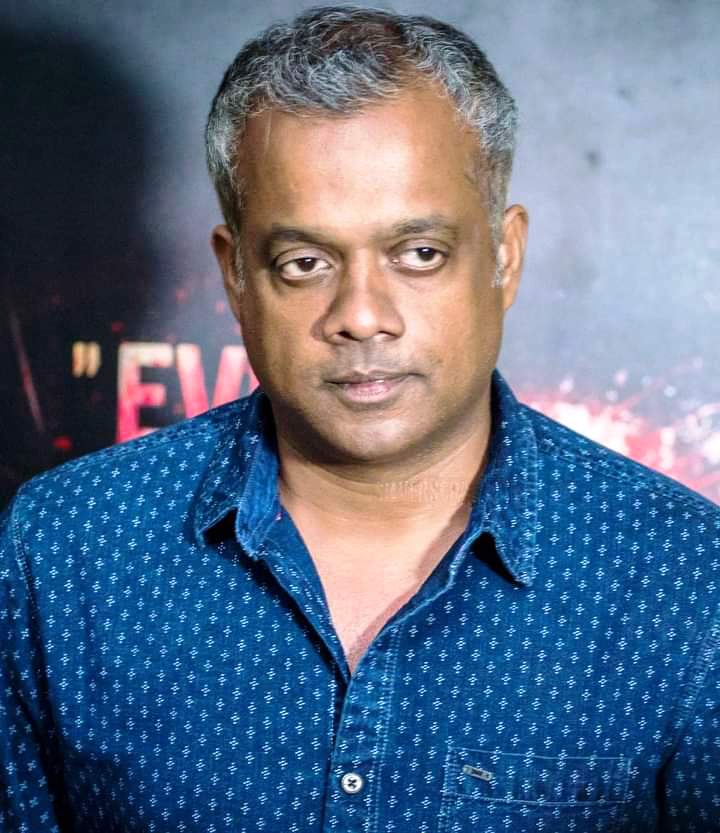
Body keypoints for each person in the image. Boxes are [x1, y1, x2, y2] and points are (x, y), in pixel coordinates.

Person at [1, 6, 718, 832]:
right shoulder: (67, 550)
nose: (362, 315)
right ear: (236, 277)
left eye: (419, 254)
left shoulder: (685, 581)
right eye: (305, 262)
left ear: (504, 256)